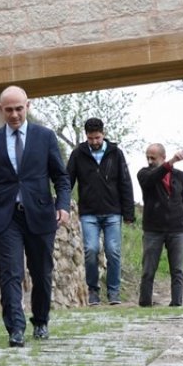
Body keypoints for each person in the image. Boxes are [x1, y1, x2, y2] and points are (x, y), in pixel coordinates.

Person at [0, 86, 71, 347]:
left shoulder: (45, 137)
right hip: (6, 218)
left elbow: (61, 177)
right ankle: (15, 328)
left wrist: (63, 205)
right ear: (0, 110)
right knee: (10, 273)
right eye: (9, 110)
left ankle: (40, 321)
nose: (14, 114)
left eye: (19, 108)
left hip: (40, 214)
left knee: (41, 272)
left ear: (28, 106)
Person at [66, 117, 135, 306]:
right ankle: (93, 290)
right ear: (86, 136)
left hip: (113, 211)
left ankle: (114, 292)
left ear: (103, 134)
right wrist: (61, 204)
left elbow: (125, 182)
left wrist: (128, 213)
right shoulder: (78, 154)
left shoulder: (115, 153)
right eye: (91, 138)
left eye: (97, 138)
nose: (94, 142)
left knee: (113, 251)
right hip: (89, 213)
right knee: (90, 250)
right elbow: (67, 180)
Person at [136, 143, 183, 307]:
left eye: (153, 158)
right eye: (148, 157)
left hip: (177, 229)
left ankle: (177, 303)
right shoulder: (144, 174)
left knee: (178, 270)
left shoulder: (180, 176)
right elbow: (152, 179)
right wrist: (172, 162)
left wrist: (176, 213)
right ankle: (145, 303)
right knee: (148, 270)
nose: (150, 161)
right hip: (153, 229)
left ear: (162, 157)